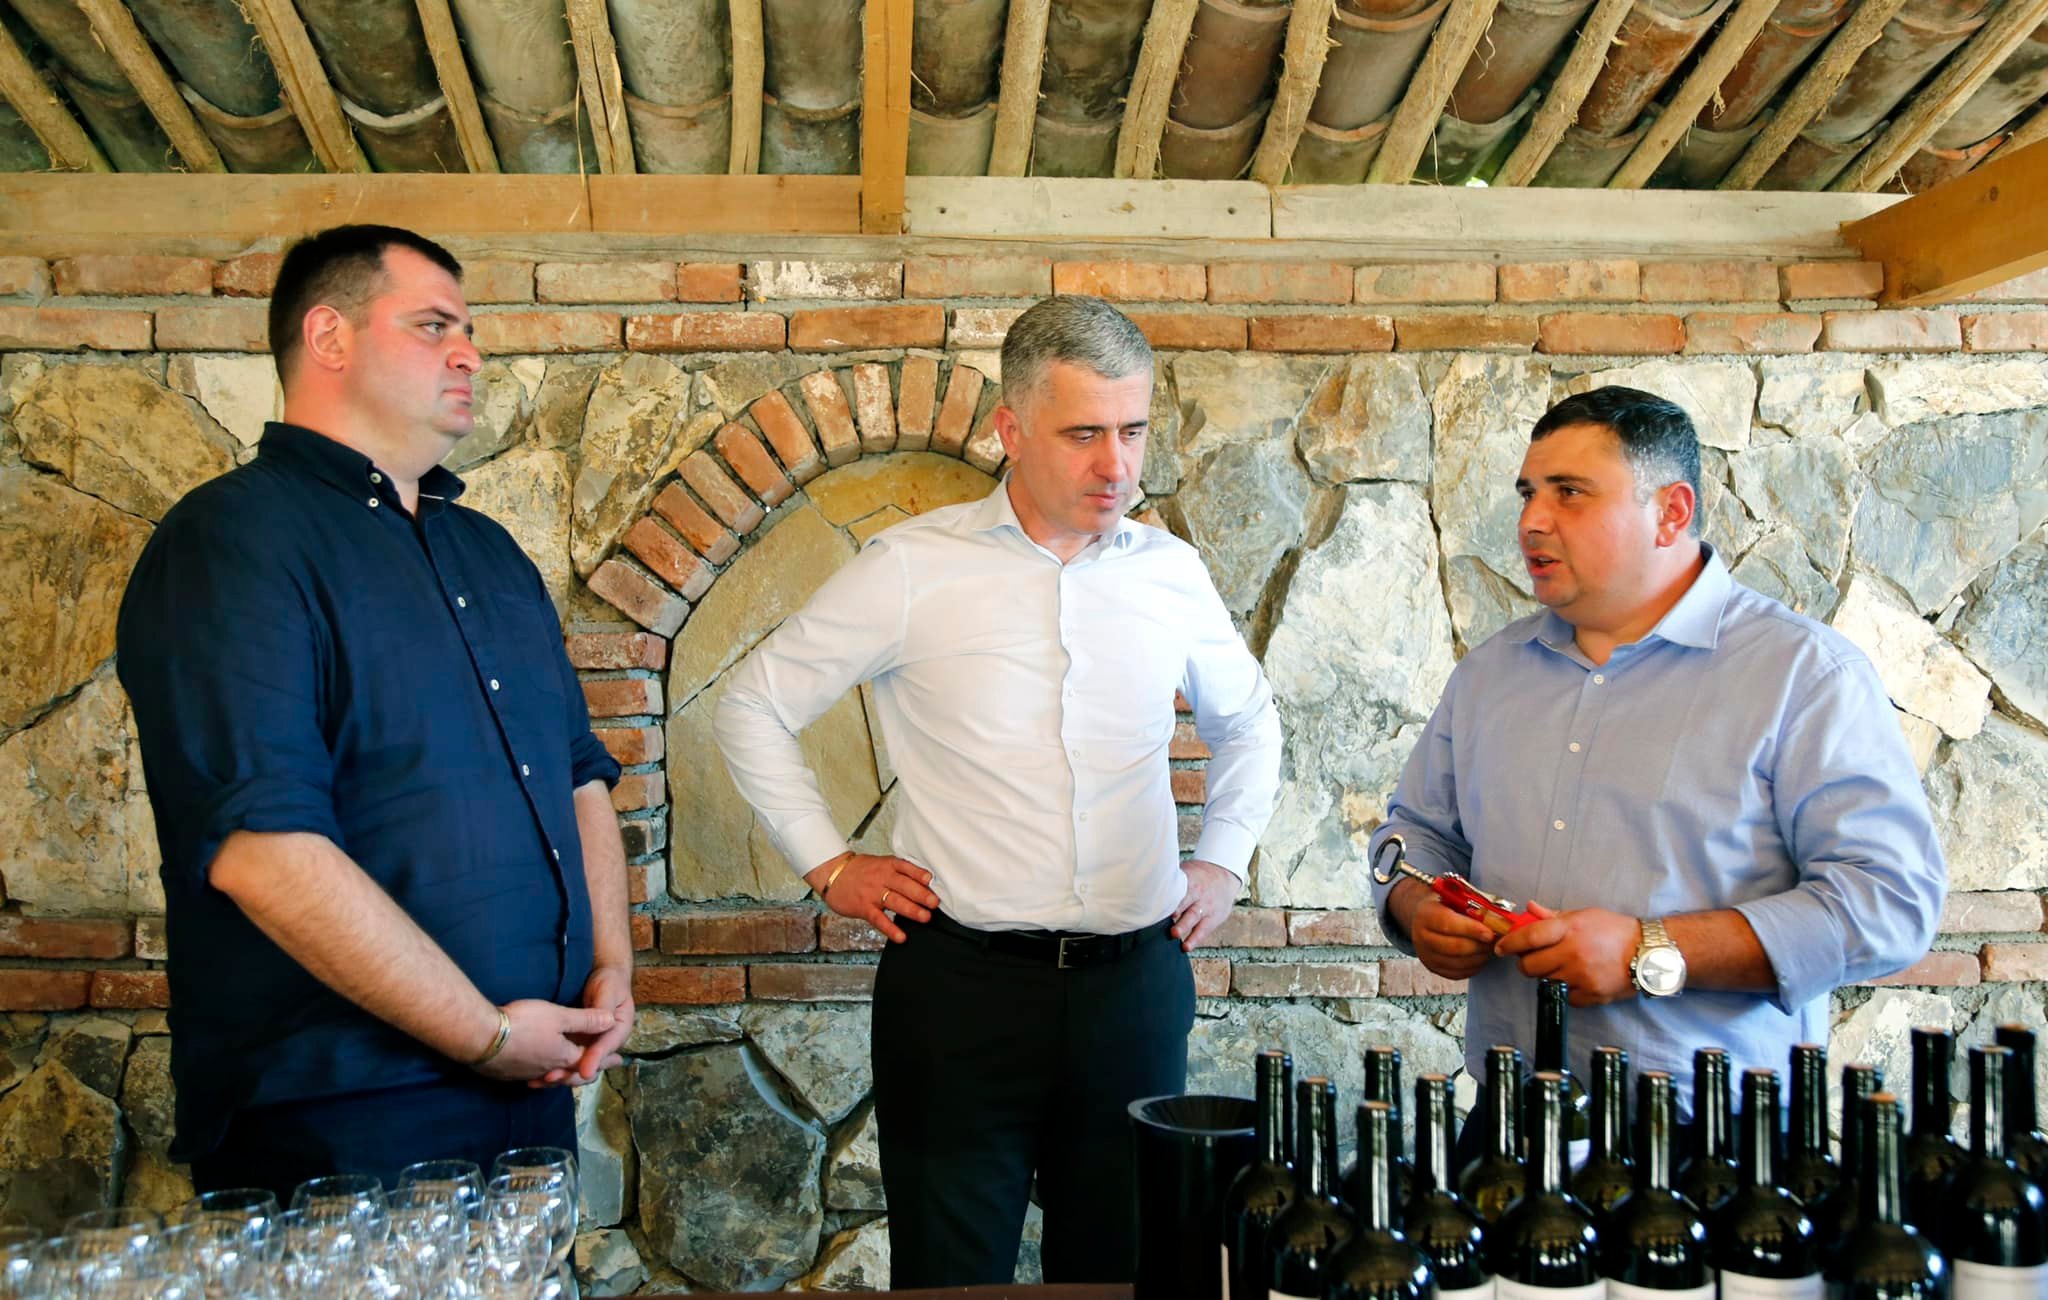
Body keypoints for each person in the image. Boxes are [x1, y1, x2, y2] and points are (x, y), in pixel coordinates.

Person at [714, 295, 1282, 1286]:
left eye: (1133, 430)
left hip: (1133, 990)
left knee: (1122, 1277)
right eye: (1083, 434)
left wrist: (1224, 859)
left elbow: (1251, 724)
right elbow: (751, 703)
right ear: (1010, 430)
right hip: (958, 994)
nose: (1116, 465)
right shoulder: (911, 568)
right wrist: (829, 864)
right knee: (950, 1278)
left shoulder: (1172, 574)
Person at [116, 225, 634, 1197]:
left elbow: (578, 775)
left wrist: (612, 969)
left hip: (535, 1087)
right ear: (329, 337)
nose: (469, 353)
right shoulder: (229, 541)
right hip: (339, 1117)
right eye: (434, 326)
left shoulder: (491, 553)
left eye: (469, 331)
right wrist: (484, 1034)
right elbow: (263, 850)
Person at [1369, 385, 1945, 1147]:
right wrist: (1418, 911)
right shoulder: (1488, 674)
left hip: (1715, 1138)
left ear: (1671, 512)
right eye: (1528, 493)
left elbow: (1889, 905)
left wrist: (1651, 950)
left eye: (1570, 492)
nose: (1532, 521)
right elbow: (1415, 834)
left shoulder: (1805, 675)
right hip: (1507, 1120)